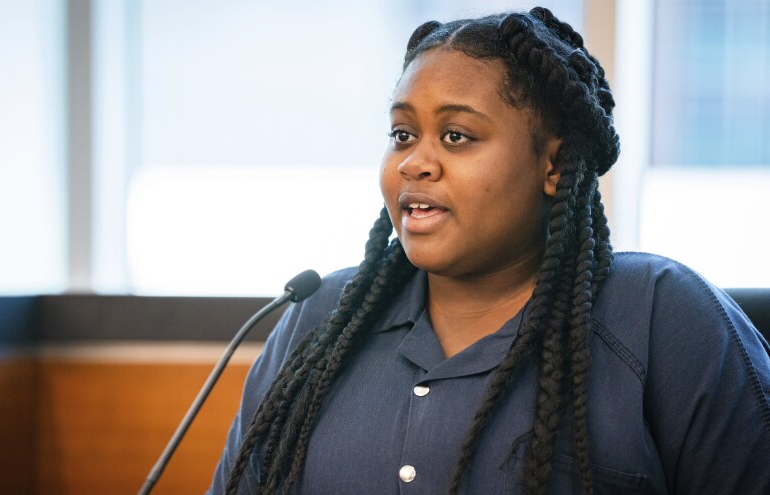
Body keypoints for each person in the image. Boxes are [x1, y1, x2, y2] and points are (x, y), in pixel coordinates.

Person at [209, 7, 770, 494]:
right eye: (403, 134)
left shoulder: (663, 318)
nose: (414, 163)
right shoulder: (320, 317)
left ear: (552, 166)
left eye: (456, 136)